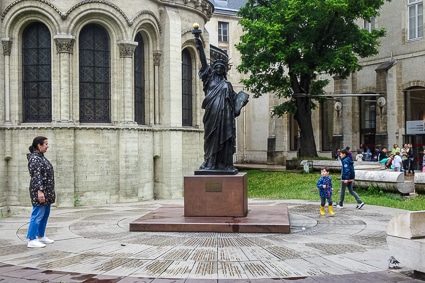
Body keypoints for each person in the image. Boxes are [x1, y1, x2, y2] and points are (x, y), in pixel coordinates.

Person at [193, 26, 248, 173]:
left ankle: (225, 164)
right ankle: (209, 162)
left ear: (224, 70)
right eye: (216, 66)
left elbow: (235, 102)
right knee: (210, 139)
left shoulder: (227, 85)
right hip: (211, 115)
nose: (218, 68)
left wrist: (241, 100)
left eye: (220, 67)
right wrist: (198, 42)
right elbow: (204, 62)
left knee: (226, 140)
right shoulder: (208, 79)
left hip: (225, 118)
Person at [26, 136, 56, 248]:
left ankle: (41, 235)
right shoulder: (35, 159)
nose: (47, 146)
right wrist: (40, 191)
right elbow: (36, 176)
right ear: (39, 145)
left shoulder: (41, 157)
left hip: (47, 192)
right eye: (46, 144)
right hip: (40, 192)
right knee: (37, 214)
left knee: (44, 215)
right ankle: (31, 239)